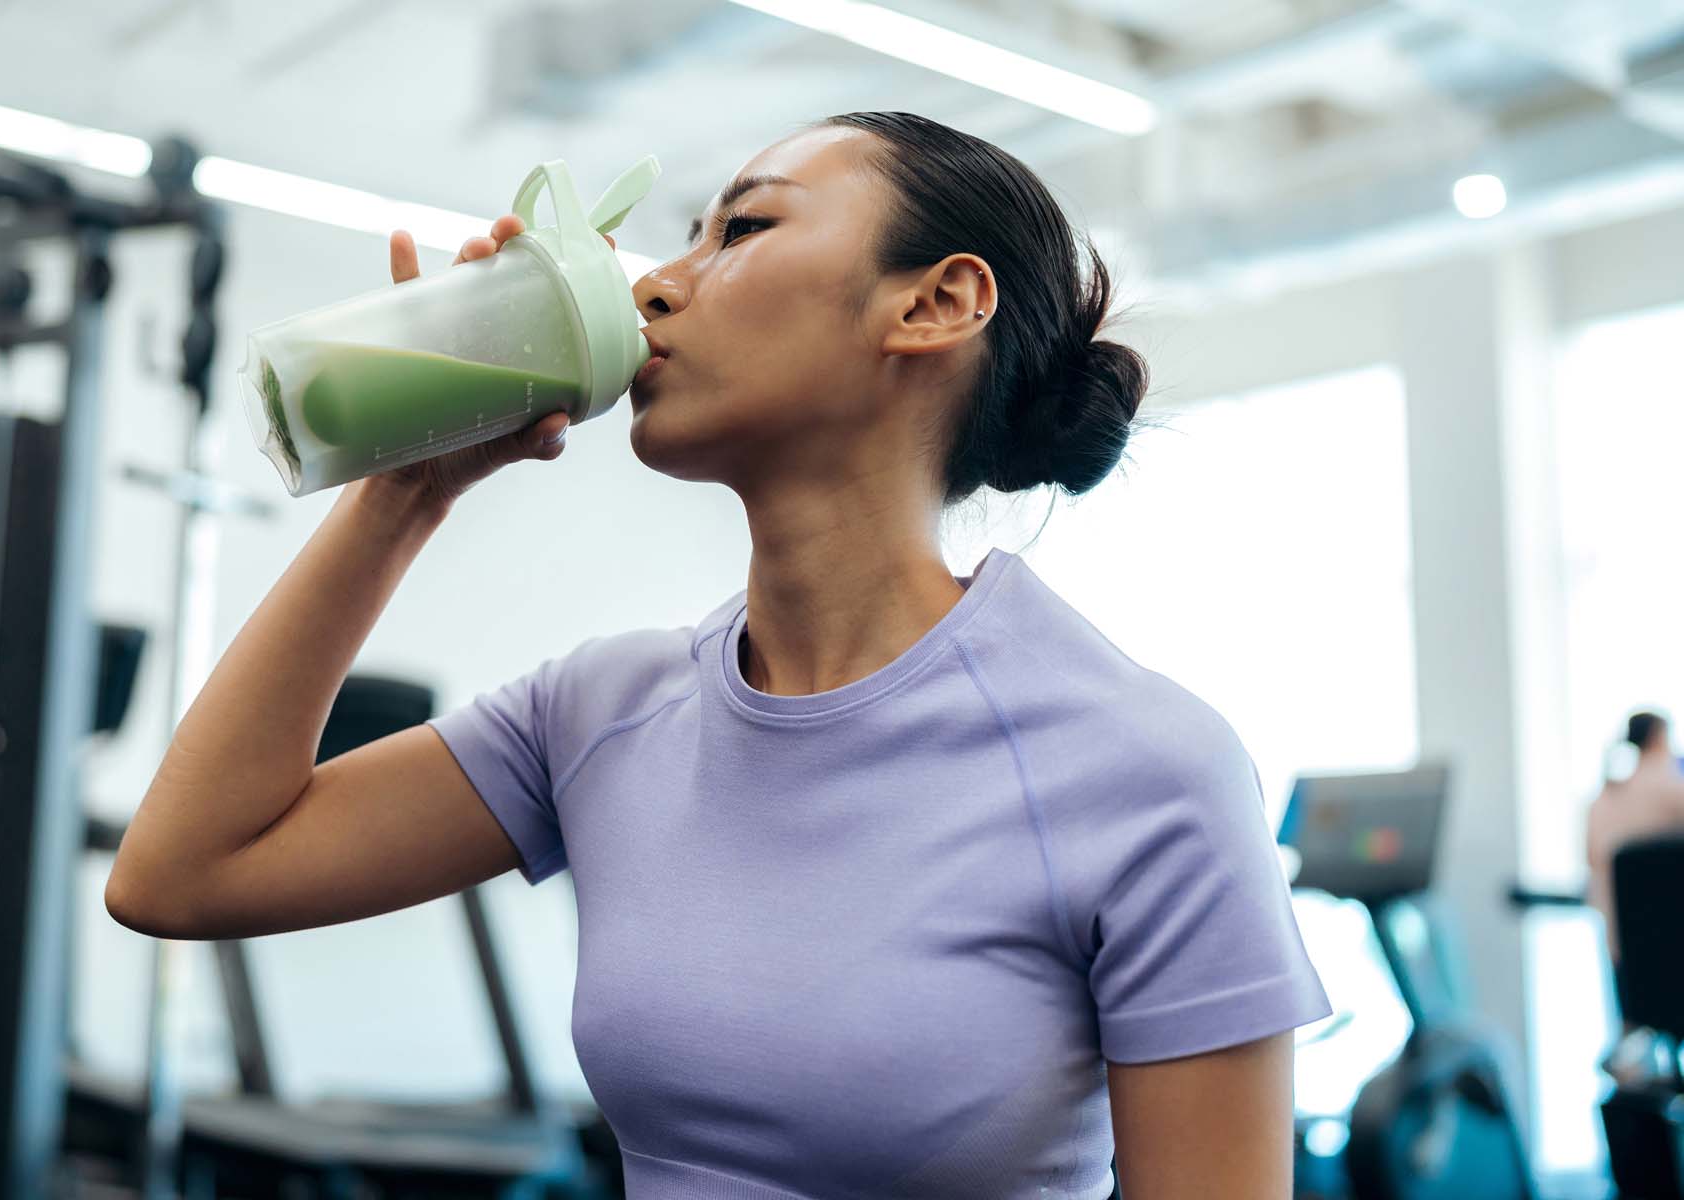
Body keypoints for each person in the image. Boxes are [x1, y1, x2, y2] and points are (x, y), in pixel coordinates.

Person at [108, 112, 1332, 1199]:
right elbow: (180, 876)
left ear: (936, 303)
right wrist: (404, 495)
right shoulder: (599, 711)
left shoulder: (1142, 769)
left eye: (739, 228)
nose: (654, 289)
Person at [1586, 710, 1684, 1005]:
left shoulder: (1602, 801)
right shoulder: (1673, 791)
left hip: (1624, 957)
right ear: (1659, 738)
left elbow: (1591, 861)